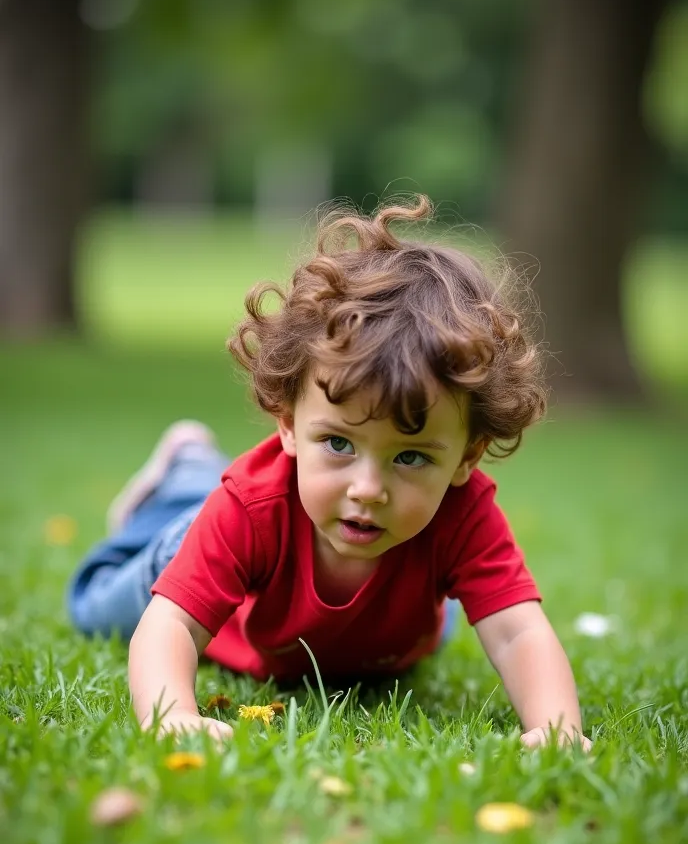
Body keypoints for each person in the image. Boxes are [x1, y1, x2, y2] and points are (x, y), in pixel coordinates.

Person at [68, 196, 591, 750]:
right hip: (217, 541)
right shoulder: (250, 509)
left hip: (371, 625)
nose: (368, 489)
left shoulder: (464, 518)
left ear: (466, 457)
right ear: (289, 425)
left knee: (443, 625)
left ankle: (199, 467)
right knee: (99, 605)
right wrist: (171, 716)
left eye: (410, 457)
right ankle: (185, 472)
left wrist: (557, 731)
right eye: (339, 443)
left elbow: (517, 632)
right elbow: (170, 626)